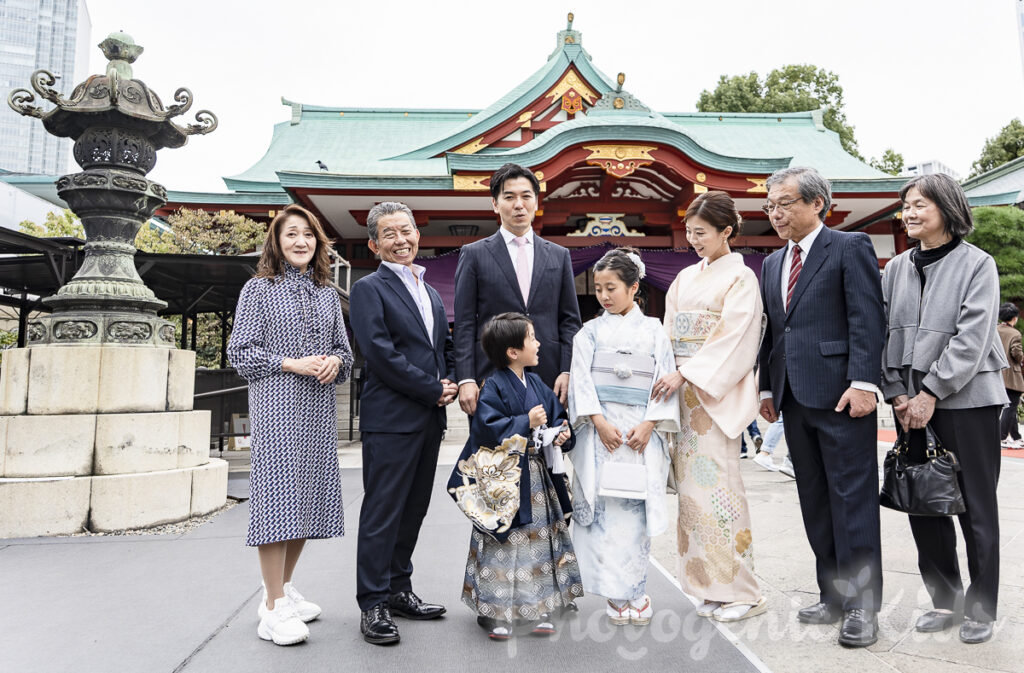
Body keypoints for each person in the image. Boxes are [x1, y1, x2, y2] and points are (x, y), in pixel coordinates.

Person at [757, 167, 885, 647]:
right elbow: (775, 332)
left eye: (785, 203)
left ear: (817, 204)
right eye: (771, 205)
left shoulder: (849, 247)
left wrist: (864, 382)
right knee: (814, 499)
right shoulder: (772, 264)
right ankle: (831, 594)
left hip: (842, 395)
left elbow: (867, 318)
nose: (776, 213)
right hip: (793, 396)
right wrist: (768, 390)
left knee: (852, 500)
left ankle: (861, 608)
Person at [881, 173, 1008, 644]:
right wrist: (896, 391)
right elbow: (881, 334)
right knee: (924, 501)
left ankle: (981, 608)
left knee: (975, 506)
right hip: (908, 402)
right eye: (907, 205)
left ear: (948, 209)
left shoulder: (978, 264)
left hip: (967, 401)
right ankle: (945, 601)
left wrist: (931, 392)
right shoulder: (895, 268)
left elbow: (972, 338)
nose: (910, 213)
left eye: (921, 205)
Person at [228, 204, 354, 646]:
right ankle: (272, 605)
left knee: (308, 501)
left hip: (318, 411)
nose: (300, 241)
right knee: (278, 500)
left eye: (307, 234)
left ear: (318, 241)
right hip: (277, 407)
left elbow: (346, 352)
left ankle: (282, 590)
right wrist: (292, 363)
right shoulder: (258, 289)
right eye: (290, 235)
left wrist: (336, 360)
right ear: (276, 243)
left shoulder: (326, 293)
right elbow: (240, 352)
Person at [651, 191, 767, 623]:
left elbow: (734, 337)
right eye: (689, 232)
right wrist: (668, 370)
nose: (693, 240)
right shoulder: (684, 278)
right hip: (682, 397)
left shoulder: (742, 279)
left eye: (701, 233)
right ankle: (705, 585)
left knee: (721, 494)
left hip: (712, 398)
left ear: (727, 232)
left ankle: (742, 592)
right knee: (692, 498)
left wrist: (686, 372)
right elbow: (668, 332)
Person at [349, 202, 457, 646]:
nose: (402, 240)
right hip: (391, 419)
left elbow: (441, 346)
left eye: (407, 230)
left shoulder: (429, 291)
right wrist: (432, 388)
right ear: (374, 245)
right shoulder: (368, 289)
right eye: (390, 234)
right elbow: (379, 353)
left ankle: (398, 589)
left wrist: (451, 379)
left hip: (429, 418)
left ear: (418, 234)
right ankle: (372, 601)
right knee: (382, 511)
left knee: (414, 509)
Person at [448, 313, 583, 640]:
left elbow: (558, 418)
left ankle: (539, 608)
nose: (538, 344)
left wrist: (562, 433)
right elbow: (485, 429)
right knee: (504, 542)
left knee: (538, 542)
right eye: (532, 338)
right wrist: (525, 421)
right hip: (507, 482)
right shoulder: (492, 385)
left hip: (537, 476)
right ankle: (495, 612)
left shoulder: (536, 383)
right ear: (512, 351)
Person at [567, 248, 679, 626]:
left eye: (611, 287)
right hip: (604, 434)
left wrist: (650, 426)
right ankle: (616, 594)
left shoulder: (654, 331)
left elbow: (665, 381)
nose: (603, 295)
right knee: (604, 516)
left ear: (634, 287)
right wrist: (597, 422)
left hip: (639, 434)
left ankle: (637, 591)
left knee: (634, 514)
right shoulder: (589, 332)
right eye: (598, 288)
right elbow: (581, 381)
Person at [454, 163, 582, 415]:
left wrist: (568, 370)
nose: (518, 204)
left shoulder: (559, 255)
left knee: (548, 449)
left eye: (526, 196)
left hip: (549, 374)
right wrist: (466, 378)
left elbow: (569, 321)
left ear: (536, 201)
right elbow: (464, 322)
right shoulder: (474, 254)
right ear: (495, 204)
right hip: (491, 373)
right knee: (496, 451)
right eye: (509, 197)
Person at [997, 303, 1024, 448]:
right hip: (1012, 377)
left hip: (996, 375)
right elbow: (1016, 353)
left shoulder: (994, 329)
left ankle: (1015, 436)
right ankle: (1001, 437)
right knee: (1011, 406)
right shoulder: (1015, 333)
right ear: (1014, 318)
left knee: (1010, 407)